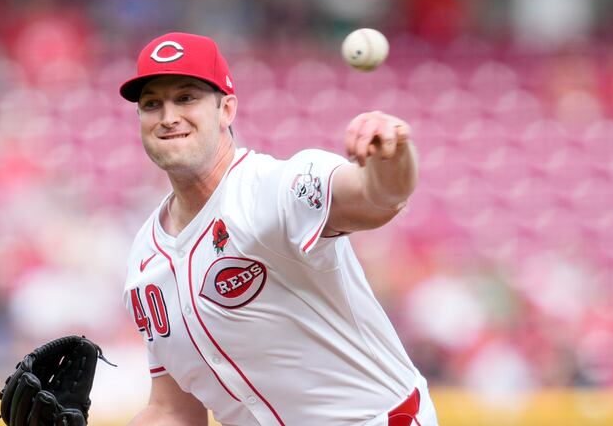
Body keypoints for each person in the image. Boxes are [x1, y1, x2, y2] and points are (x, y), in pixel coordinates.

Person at [120, 32, 438, 426]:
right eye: (152, 104)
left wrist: (391, 158)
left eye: (186, 97)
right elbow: (173, 410)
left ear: (226, 110)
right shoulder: (145, 258)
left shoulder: (274, 188)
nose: (168, 117)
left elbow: (376, 198)